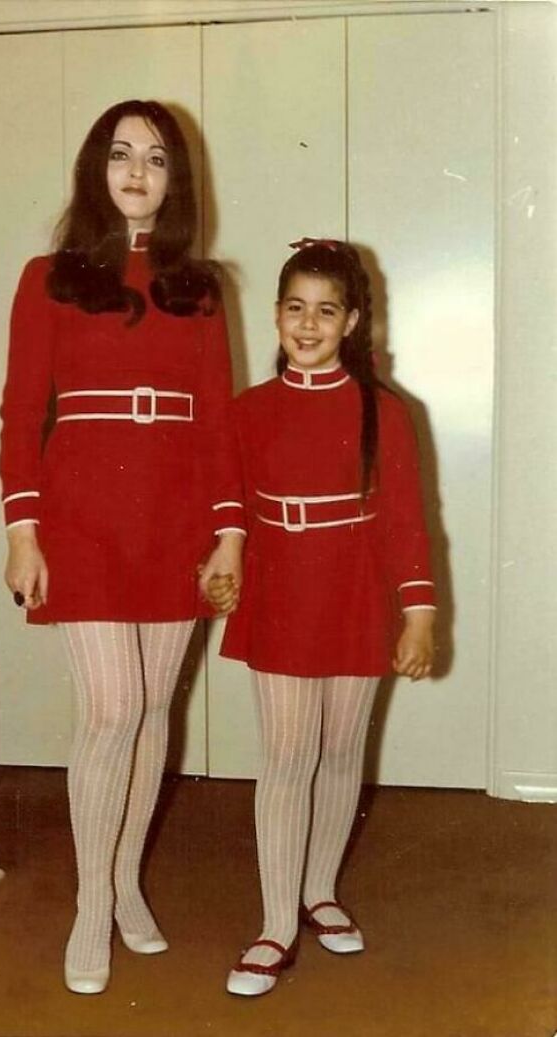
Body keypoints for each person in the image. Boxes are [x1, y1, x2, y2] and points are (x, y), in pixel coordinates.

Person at [0, 99, 244, 995]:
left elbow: (220, 421)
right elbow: (22, 409)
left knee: (151, 714)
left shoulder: (202, 286)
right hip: (83, 514)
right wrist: (22, 526)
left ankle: (127, 881)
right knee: (111, 709)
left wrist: (230, 532)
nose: (137, 171)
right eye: (119, 154)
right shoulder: (49, 276)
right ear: (95, 171)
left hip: (176, 513)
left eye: (156, 159)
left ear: (177, 182)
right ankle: (90, 900)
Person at [205, 238, 436, 996]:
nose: (308, 325)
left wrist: (418, 614)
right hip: (281, 590)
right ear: (276, 315)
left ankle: (319, 891)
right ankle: (274, 924)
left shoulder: (387, 412)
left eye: (326, 311)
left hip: (357, 591)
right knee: (287, 756)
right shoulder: (249, 409)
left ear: (352, 320)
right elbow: (229, 503)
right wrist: (225, 559)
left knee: (341, 752)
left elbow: (406, 520)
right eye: (295, 308)